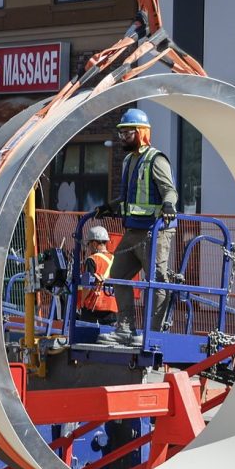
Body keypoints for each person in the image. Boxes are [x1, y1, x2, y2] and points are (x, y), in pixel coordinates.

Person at [94, 108, 178, 346]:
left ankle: (153, 334)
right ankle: (126, 328)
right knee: (118, 275)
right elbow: (129, 198)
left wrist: (169, 206)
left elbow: (169, 190)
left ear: (141, 133)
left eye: (128, 132)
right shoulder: (129, 160)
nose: (122, 137)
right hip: (132, 231)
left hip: (155, 232)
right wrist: (109, 207)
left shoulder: (156, 159)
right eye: (121, 133)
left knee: (157, 279)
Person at [77, 225, 118, 325]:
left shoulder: (92, 259)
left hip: (94, 308)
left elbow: (88, 285)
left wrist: (81, 302)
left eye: (89, 244)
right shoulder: (114, 259)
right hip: (112, 308)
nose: (88, 247)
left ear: (94, 243)